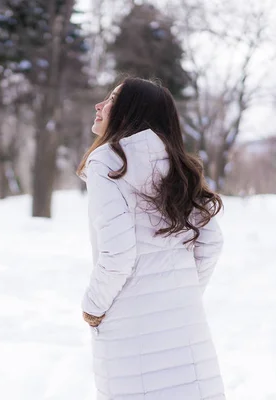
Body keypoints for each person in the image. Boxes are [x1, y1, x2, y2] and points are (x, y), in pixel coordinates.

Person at [78, 78, 226, 400]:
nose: (99, 105)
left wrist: (93, 307)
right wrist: (180, 292)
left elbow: (117, 253)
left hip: (130, 330)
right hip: (184, 328)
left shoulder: (107, 161)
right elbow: (211, 242)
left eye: (112, 99)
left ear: (131, 111)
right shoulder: (178, 165)